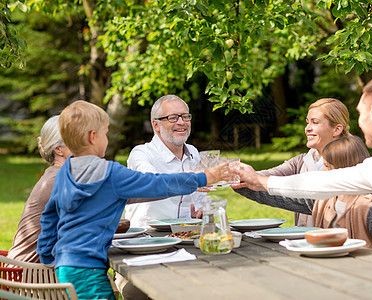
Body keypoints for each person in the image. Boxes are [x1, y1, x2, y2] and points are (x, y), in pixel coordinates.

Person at [232, 74, 372, 265]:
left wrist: (367, 244)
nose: (359, 123)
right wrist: (259, 181)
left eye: (360, 114)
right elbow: (321, 182)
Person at [36, 100, 229, 300]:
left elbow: (50, 216)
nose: (108, 139)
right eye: (106, 133)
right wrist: (204, 177)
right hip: (89, 269)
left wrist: (47, 253)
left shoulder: (64, 172)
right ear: (93, 137)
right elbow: (158, 184)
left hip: (65, 265)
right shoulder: (110, 174)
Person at [234, 98, 350, 226]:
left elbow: (313, 202)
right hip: (302, 242)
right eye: (307, 123)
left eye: (315, 122)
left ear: (336, 129)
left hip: (338, 243)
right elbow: (265, 176)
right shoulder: (301, 162)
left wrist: (254, 181)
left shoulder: (349, 165)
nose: (307, 129)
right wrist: (234, 175)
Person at [125, 95, 208, 227]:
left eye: (185, 116)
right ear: (156, 125)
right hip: (148, 239)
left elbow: (201, 196)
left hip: (187, 234)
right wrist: (190, 180)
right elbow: (154, 183)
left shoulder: (193, 152)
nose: (181, 122)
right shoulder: (141, 154)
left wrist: (204, 210)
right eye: (173, 118)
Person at [7, 115, 72, 263]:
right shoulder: (60, 180)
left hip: (31, 270)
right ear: (58, 149)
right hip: (32, 276)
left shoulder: (57, 174)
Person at [314, 135, 372, 249]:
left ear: (342, 169)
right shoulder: (326, 200)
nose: (322, 171)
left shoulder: (366, 206)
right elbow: (291, 201)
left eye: (327, 166)